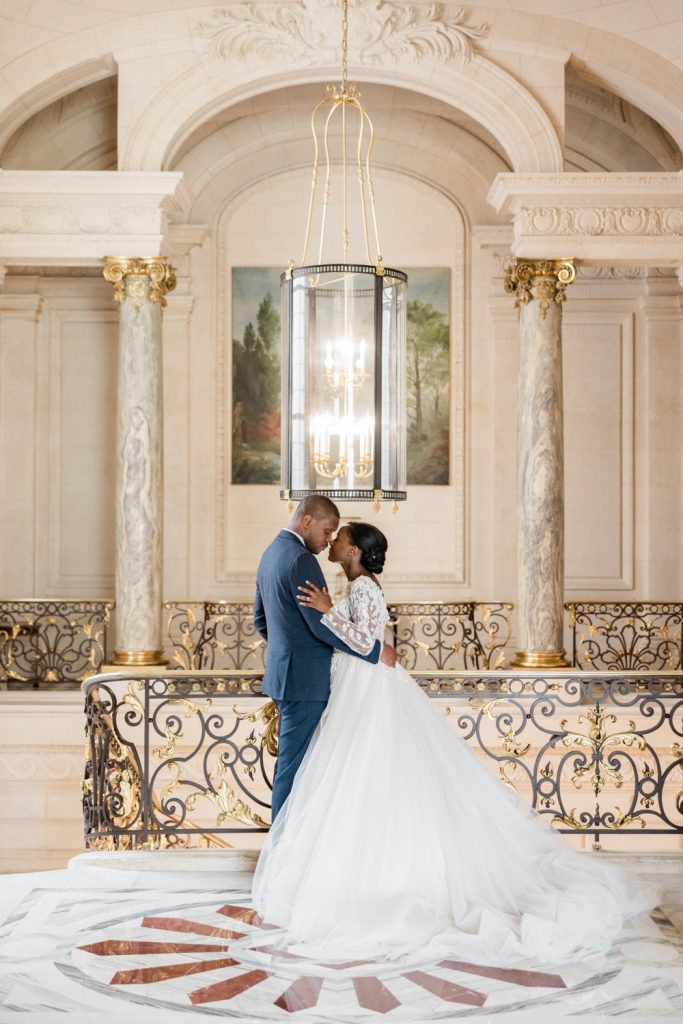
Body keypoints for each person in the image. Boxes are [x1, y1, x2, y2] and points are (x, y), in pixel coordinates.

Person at [252, 522, 659, 965]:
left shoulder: (364, 588)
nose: (333, 541)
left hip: (366, 686)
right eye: (332, 533)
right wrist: (335, 614)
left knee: (366, 769)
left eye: (341, 537)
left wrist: (330, 612)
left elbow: (367, 642)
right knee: (351, 774)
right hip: (352, 683)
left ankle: (374, 875)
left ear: (354, 552)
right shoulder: (353, 585)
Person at [254, 497, 396, 820]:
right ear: (307, 521)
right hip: (306, 682)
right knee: (296, 770)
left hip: (285, 677)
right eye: (327, 530)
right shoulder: (302, 560)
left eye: (335, 534)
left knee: (303, 766)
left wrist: (287, 649)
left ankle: (295, 839)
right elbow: (320, 626)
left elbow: (261, 620)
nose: (329, 539)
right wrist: (376, 650)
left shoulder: (271, 553)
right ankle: (283, 844)